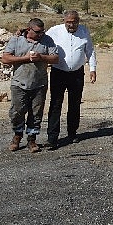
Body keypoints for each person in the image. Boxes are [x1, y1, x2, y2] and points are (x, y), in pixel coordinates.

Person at [1, 18, 59, 153]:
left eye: (42, 32)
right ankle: (17, 135)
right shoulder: (16, 40)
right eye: (38, 32)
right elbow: (5, 58)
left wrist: (41, 57)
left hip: (39, 84)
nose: (41, 35)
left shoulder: (47, 40)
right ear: (29, 30)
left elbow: (55, 58)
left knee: (36, 113)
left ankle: (32, 139)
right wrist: (25, 59)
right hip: (19, 83)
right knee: (17, 111)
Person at [45, 10, 97, 148]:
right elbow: (41, 39)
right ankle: (52, 137)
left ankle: (72, 133)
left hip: (77, 74)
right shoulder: (54, 31)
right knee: (56, 104)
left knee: (74, 104)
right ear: (64, 21)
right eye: (68, 22)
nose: (71, 24)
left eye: (74, 22)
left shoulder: (84, 31)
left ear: (78, 21)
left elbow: (90, 51)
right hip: (58, 72)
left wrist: (92, 69)